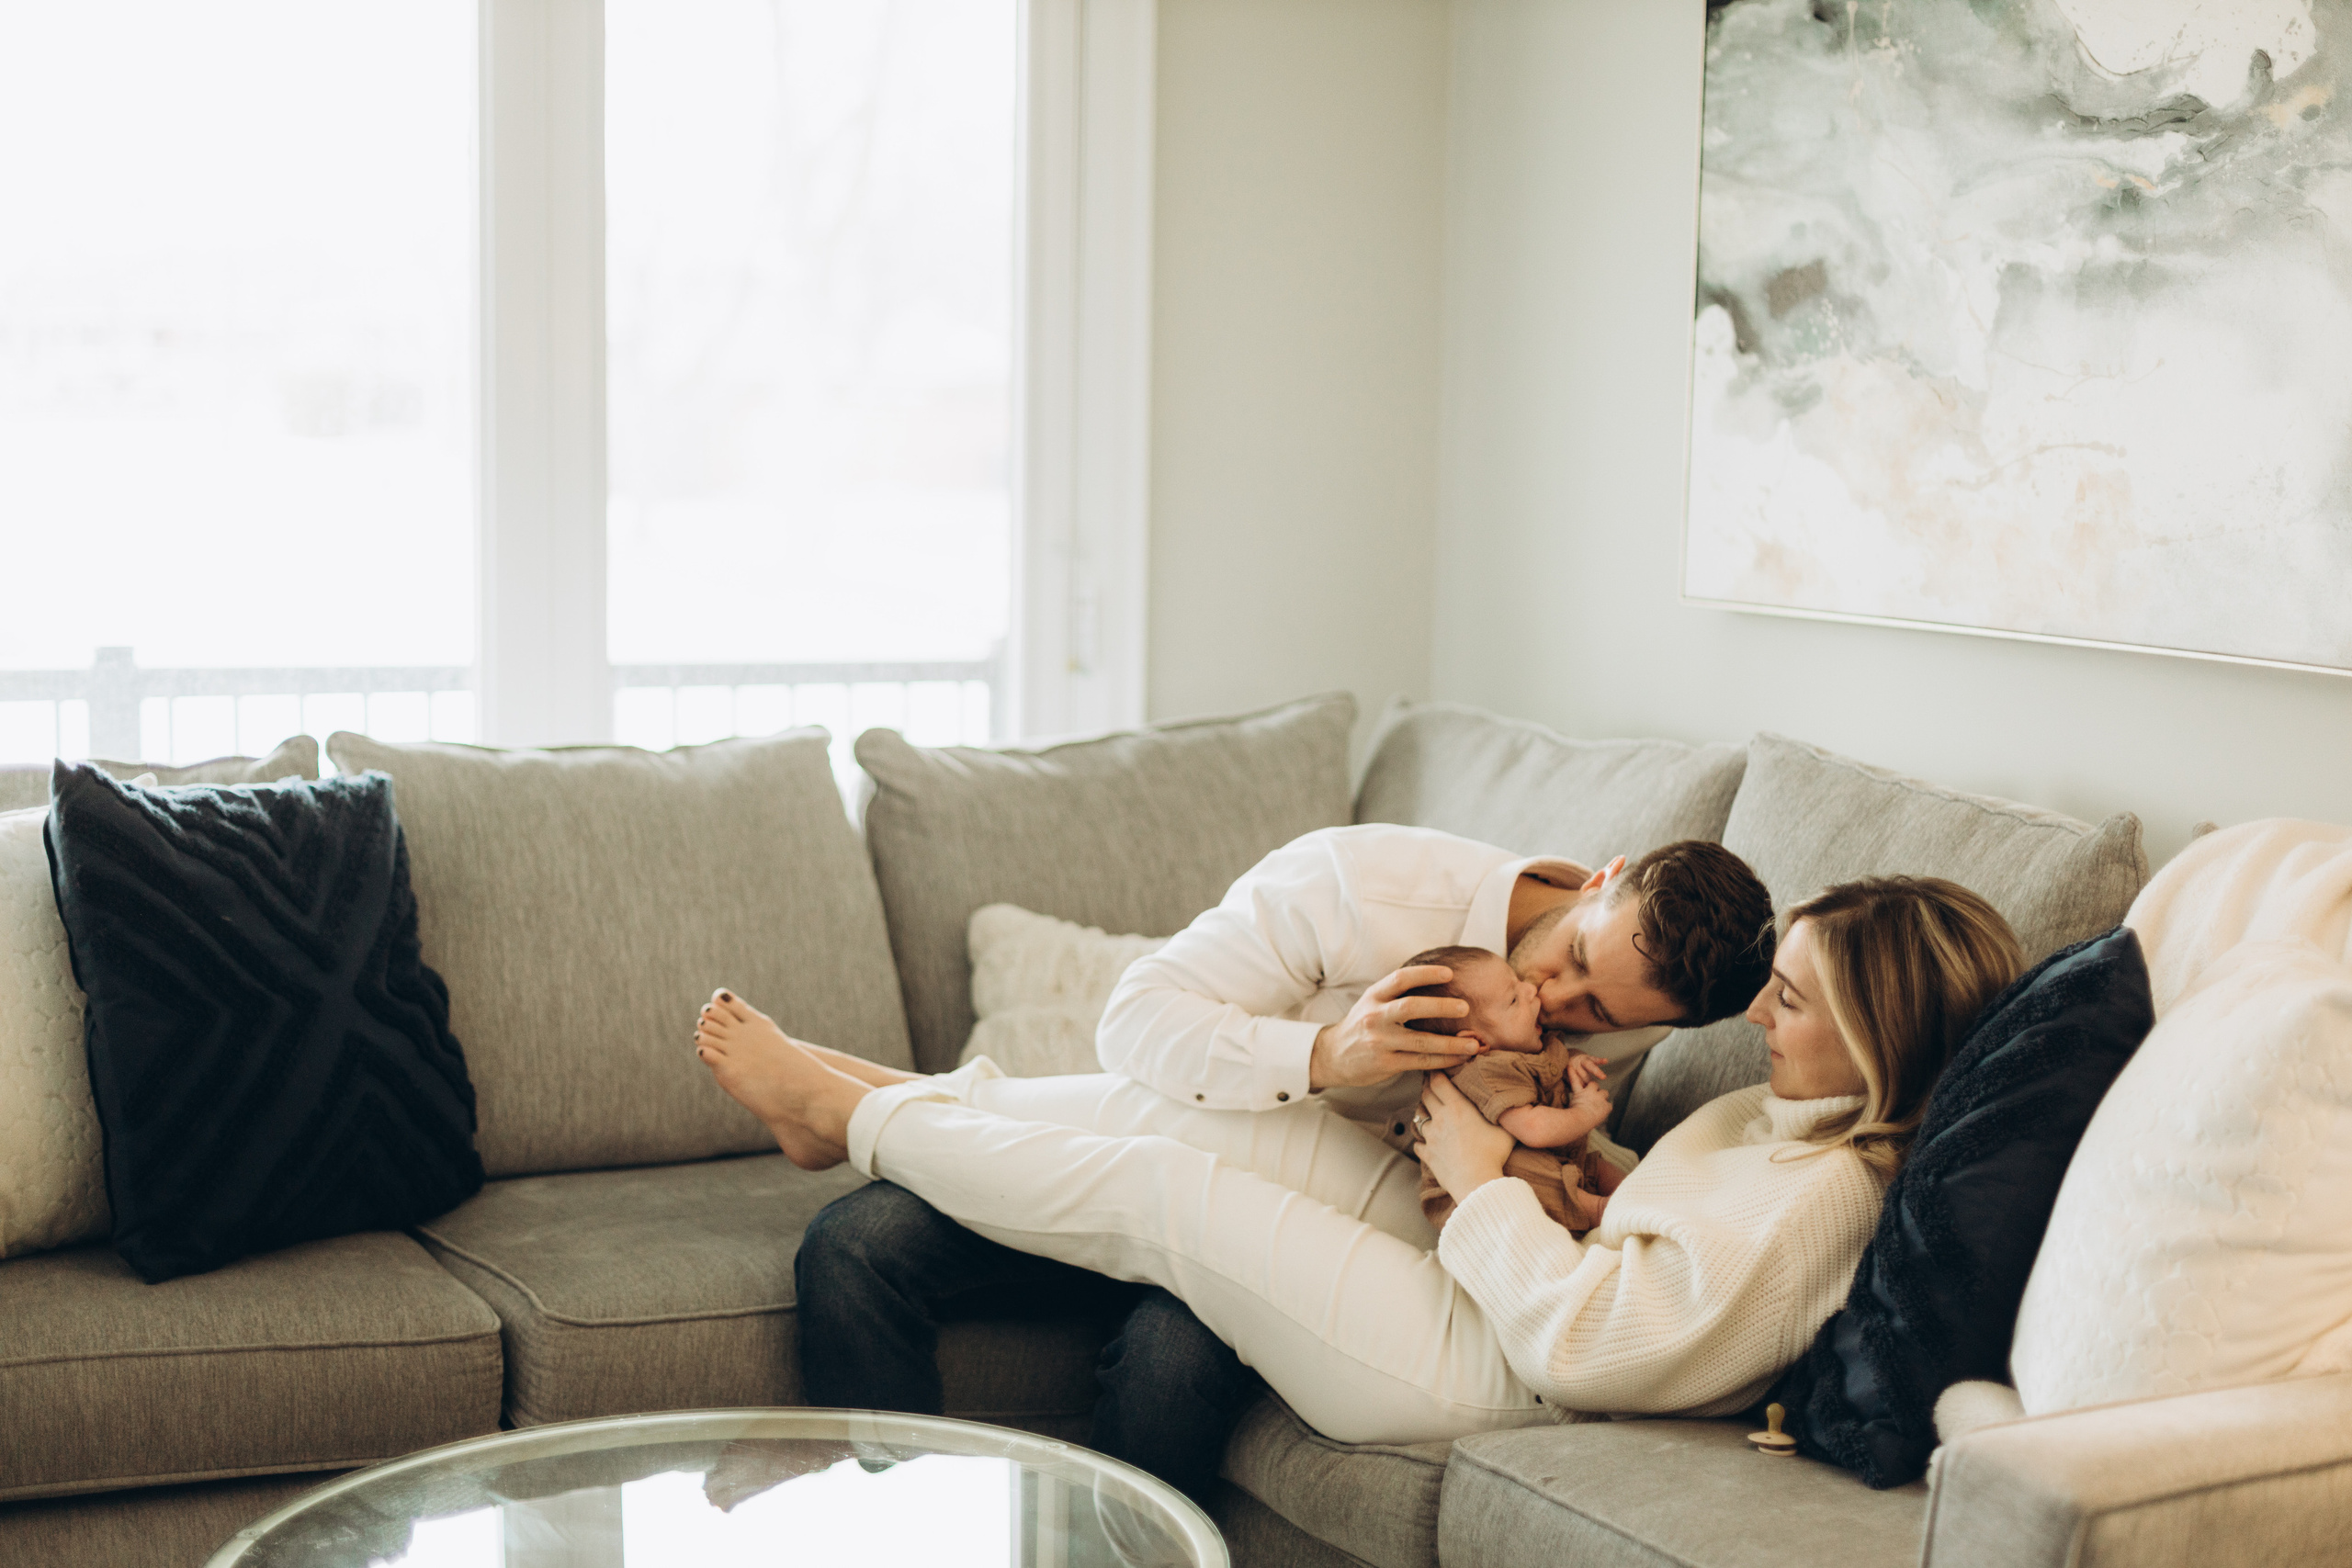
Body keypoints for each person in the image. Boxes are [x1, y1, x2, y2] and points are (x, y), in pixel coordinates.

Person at [698, 874, 2023, 1449]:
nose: (1752, 1016)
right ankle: (882, 1095)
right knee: (1208, 1125)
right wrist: (1582, 1158)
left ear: (1874, 1035)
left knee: (1166, 1197)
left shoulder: (1829, 1194)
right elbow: (1655, 1235)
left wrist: (1494, 1182)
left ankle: (859, 1116)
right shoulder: (1779, 1116)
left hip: (1491, 1363)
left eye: (1786, 1000)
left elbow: (1595, 1347)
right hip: (1501, 1253)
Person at [771, 828, 1777, 1493]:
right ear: (1595, 880)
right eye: (1572, 970)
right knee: (855, 1242)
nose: (1560, 1008)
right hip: (1207, 1124)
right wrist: (1327, 1053)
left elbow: (1546, 1137)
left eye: (1602, 1017)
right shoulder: (1361, 888)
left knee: (1171, 1359)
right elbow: (1133, 1028)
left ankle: (885, 1097)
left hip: (1329, 1232)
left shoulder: (1632, 1009)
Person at [1394, 945, 1620, 1235]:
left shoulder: (1520, 1041)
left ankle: (1634, 1191)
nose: (1530, 991)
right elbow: (1534, 1129)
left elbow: (1544, 1065)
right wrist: (1586, 1112)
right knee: (1522, 1169)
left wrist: (1573, 1060)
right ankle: (1599, 1211)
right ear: (1476, 1042)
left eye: (1516, 979)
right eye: (1513, 999)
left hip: (1557, 1160)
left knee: (1598, 1168)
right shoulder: (1484, 1070)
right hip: (1485, 1188)